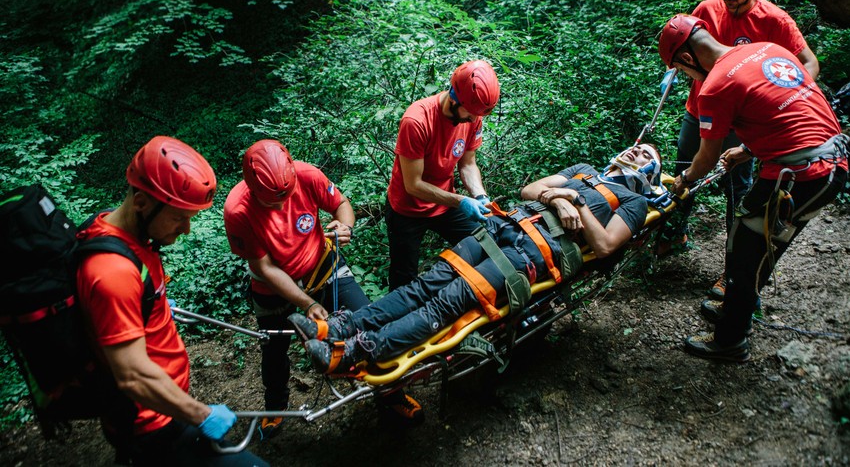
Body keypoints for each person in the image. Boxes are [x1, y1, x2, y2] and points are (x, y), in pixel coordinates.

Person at [289, 144, 661, 373]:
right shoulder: (583, 171)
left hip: (532, 253)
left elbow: (607, 245)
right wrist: (563, 197)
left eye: (646, 155)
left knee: (444, 304)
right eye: (636, 148)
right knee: (424, 285)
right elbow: (530, 189)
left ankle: (355, 351)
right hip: (503, 227)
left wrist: (578, 203)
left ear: (648, 174)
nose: (635, 152)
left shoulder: (633, 201)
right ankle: (341, 327)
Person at [660, 13, 848, 362]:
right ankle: (738, 309)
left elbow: (703, 160)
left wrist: (683, 181)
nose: (688, 79)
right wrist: (747, 151)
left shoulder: (715, 85)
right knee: (759, 242)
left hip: (800, 174)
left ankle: (730, 340)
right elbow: (786, 107)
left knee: (744, 248)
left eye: (683, 72)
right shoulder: (767, 49)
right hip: (832, 161)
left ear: (686, 58)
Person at [76, 136, 267, 466]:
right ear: (141, 202)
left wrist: (155, 307)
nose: (188, 229)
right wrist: (200, 414)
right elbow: (133, 376)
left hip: (164, 408)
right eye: (180, 217)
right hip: (152, 424)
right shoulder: (113, 272)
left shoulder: (121, 234)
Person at [223, 140, 421, 432]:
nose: (279, 205)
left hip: (322, 266)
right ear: (252, 188)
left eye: (285, 196)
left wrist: (345, 226)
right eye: (269, 201)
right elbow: (263, 268)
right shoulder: (237, 210)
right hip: (273, 287)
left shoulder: (307, 176)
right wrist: (307, 303)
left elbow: (341, 205)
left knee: (368, 323)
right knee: (274, 348)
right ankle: (275, 406)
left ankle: (391, 395)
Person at [664, 0, 821, 302]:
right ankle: (674, 233)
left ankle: (732, 270)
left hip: (746, 122)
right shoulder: (707, 8)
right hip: (701, 111)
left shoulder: (774, 20)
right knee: (684, 169)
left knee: (740, 193)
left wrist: (780, 91)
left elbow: (809, 64)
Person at [385, 59, 501, 291]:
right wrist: (460, 201)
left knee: (488, 245)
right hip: (406, 210)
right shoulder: (416, 121)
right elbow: (414, 185)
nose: (473, 119)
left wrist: (479, 196)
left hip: (445, 202)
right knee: (403, 278)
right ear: (455, 98)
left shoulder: (473, 115)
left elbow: (468, 164)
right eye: (470, 113)